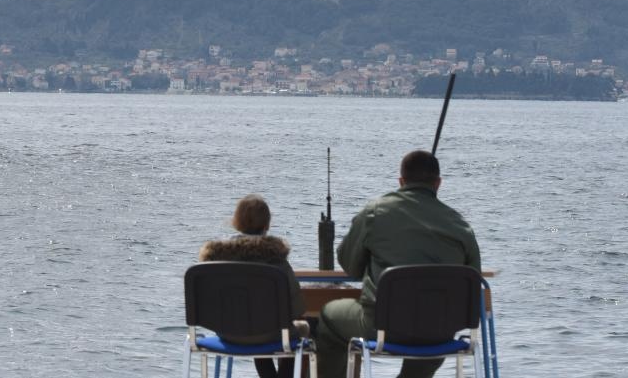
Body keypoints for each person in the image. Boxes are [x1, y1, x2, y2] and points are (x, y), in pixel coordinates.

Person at [315, 150, 481, 378]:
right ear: (438, 183)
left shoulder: (375, 212)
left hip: (383, 326)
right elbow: (472, 285)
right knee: (434, 333)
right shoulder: (462, 227)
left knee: (327, 315)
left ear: (401, 181)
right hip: (439, 331)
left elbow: (350, 266)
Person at [198, 194, 310, 378]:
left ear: (236, 221)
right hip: (267, 332)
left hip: (227, 332)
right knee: (296, 329)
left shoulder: (216, 259)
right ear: (267, 224)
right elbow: (296, 307)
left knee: (256, 324)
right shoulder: (276, 259)